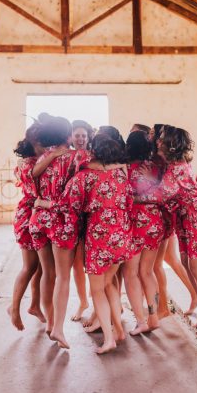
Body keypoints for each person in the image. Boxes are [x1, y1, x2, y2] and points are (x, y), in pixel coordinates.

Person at [137, 126, 197, 337]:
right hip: (183, 218)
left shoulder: (177, 170)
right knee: (185, 263)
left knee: (196, 267)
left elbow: (156, 196)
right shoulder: (172, 165)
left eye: (161, 139)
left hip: (195, 217)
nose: (157, 142)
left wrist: (125, 197)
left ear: (170, 145)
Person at [59, 134, 133, 354]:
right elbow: (129, 202)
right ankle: (118, 330)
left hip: (99, 237)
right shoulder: (121, 176)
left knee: (97, 290)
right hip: (120, 235)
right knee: (109, 283)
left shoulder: (85, 177)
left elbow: (68, 202)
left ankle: (109, 339)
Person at [30, 115, 84, 349]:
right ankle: (59, 329)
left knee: (47, 274)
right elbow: (72, 198)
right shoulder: (75, 159)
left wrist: (43, 204)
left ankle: (50, 323)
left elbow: (32, 178)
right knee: (63, 276)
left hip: (39, 220)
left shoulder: (42, 157)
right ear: (67, 135)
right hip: (62, 220)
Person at [123, 131, 166, 335]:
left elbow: (123, 198)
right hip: (154, 223)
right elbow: (163, 194)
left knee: (130, 273)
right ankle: (153, 316)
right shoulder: (155, 168)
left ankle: (140, 321)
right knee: (147, 272)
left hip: (132, 224)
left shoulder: (124, 169)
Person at [8, 123, 46, 331]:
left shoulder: (41, 158)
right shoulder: (27, 163)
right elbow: (32, 175)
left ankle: (34, 305)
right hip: (28, 214)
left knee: (40, 267)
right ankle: (13, 309)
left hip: (40, 214)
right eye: (43, 143)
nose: (47, 147)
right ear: (34, 143)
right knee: (29, 266)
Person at [70, 119, 93, 321]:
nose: (80, 139)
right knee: (77, 263)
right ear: (71, 137)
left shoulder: (94, 156)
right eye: (77, 135)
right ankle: (83, 301)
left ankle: (99, 305)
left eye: (84, 135)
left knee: (94, 263)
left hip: (94, 215)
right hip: (75, 214)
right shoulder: (67, 157)